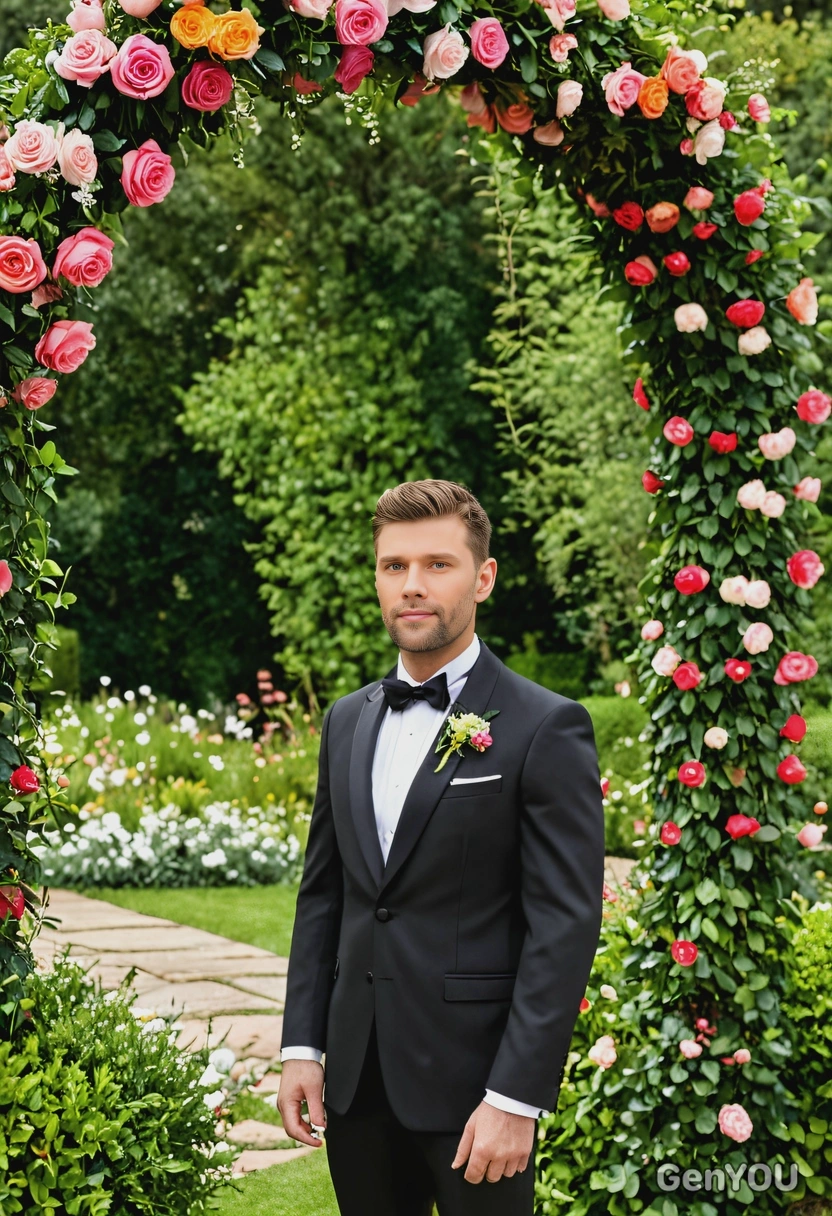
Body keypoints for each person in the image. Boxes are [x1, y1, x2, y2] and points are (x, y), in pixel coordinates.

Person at [278, 479, 605, 1216]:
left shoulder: (545, 726)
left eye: (437, 564)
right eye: (394, 567)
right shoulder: (345, 721)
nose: (412, 586)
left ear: (483, 577)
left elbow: (564, 924)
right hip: (356, 1089)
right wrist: (303, 1045)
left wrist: (516, 1095)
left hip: (476, 1092)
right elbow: (325, 893)